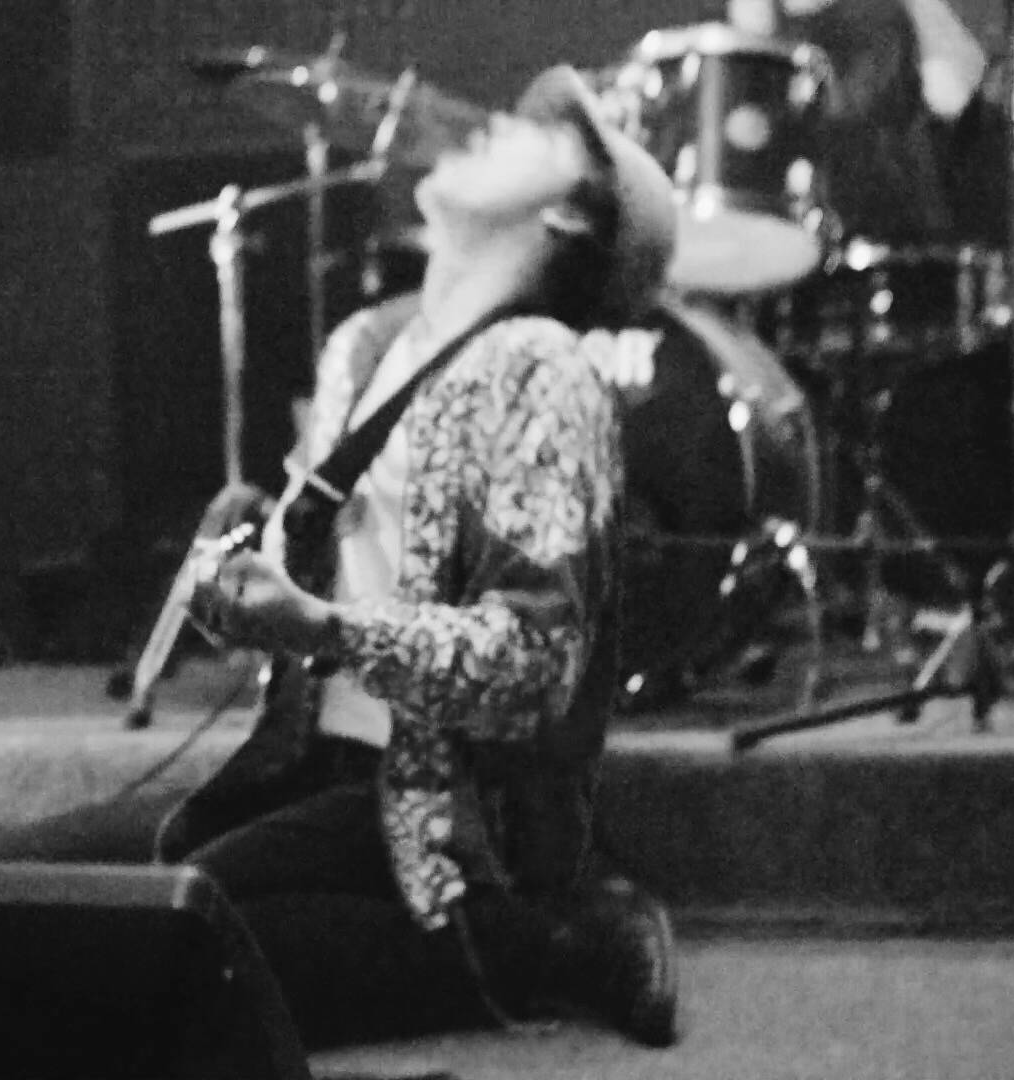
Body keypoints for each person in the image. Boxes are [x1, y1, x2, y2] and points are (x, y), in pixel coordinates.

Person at [165, 65, 682, 1050]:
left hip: (439, 817)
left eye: (540, 134)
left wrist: (324, 627)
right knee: (57, 891)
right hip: (310, 772)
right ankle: (540, 945)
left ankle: (537, 946)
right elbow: (338, 577)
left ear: (571, 213)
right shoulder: (368, 344)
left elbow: (533, 665)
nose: (491, 126)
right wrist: (249, 580)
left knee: (147, 945)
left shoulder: (543, 372)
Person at [726, 0, 991, 240]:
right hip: (776, 236)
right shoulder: (744, 24)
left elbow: (951, 95)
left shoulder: (887, 15)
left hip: (891, 235)